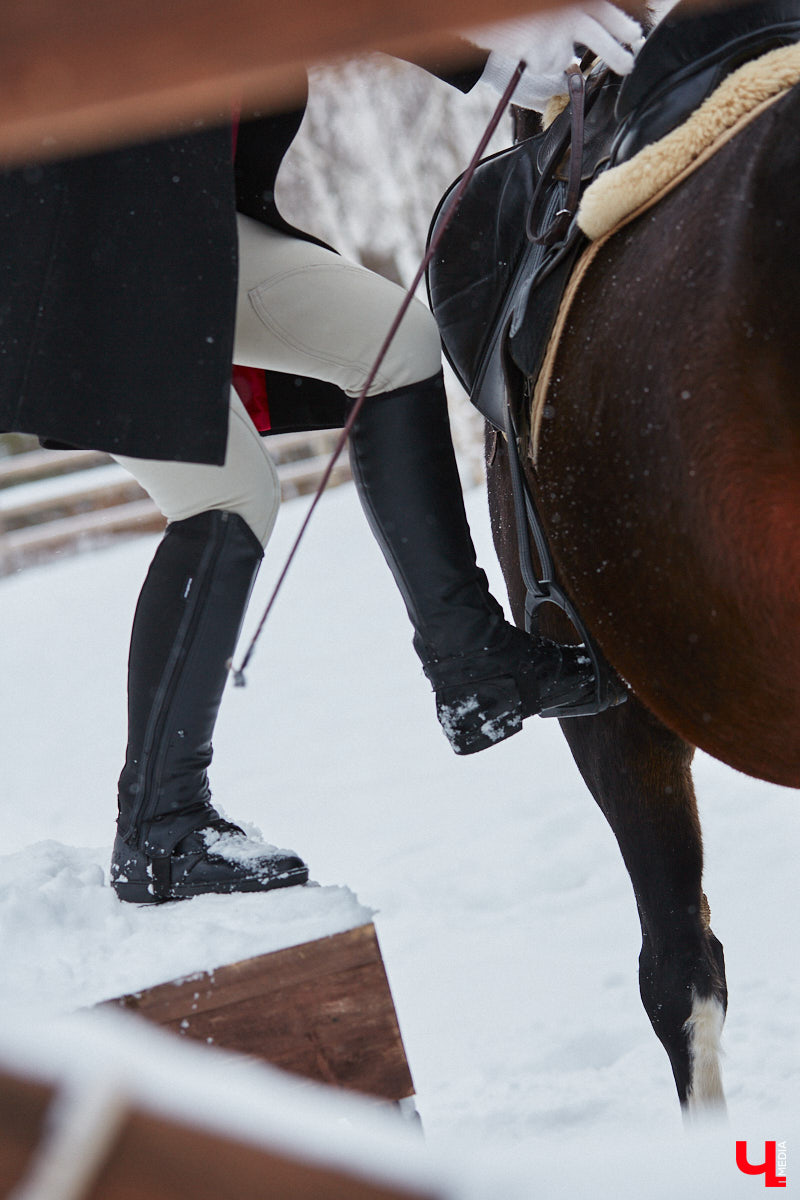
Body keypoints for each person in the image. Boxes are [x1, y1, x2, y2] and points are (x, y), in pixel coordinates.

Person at [0, 6, 641, 903]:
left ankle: (470, 663)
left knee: (392, 342)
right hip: (58, 243)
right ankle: (160, 827)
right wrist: (484, 47)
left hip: (165, 225)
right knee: (226, 499)